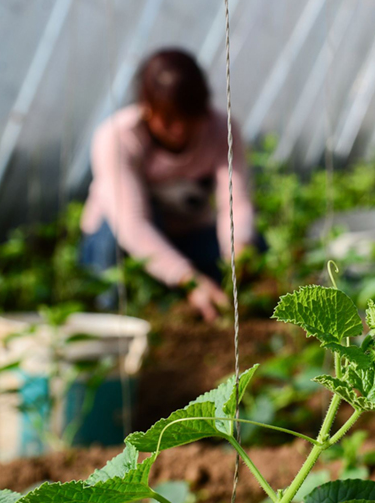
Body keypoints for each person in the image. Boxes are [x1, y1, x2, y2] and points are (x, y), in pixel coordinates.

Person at [79, 48, 257, 321]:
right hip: (121, 239)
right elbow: (132, 225)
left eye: (190, 118)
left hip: (188, 233)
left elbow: (235, 203)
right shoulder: (119, 137)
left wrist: (240, 250)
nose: (180, 130)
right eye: (170, 119)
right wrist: (188, 278)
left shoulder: (222, 130)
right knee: (109, 256)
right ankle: (108, 312)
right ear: (147, 109)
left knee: (257, 251)